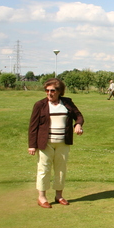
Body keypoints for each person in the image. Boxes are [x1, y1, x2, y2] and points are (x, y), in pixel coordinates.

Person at [28, 78, 84, 208]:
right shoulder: (40, 105)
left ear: (59, 91)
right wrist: (32, 145)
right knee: (44, 169)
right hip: (45, 143)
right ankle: (42, 197)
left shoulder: (67, 103)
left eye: (52, 90)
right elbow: (33, 126)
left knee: (60, 170)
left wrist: (78, 124)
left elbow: (79, 116)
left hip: (63, 143)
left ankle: (59, 195)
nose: (49, 93)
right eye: (47, 90)